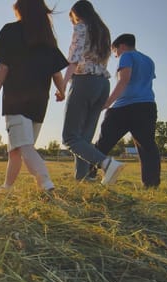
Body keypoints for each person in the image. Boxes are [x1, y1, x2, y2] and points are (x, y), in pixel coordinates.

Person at [0, 0, 68, 193]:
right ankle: (7, 187)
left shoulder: (10, 30)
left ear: (20, 9)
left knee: (24, 146)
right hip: (39, 102)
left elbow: (3, 67)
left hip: (16, 99)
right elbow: (57, 73)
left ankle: (46, 183)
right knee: (16, 148)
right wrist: (62, 91)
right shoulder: (47, 39)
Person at [61, 0, 124, 185]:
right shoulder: (104, 31)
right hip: (103, 84)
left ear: (76, 14)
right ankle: (83, 180)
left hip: (85, 81)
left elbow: (74, 58)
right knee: (84, 139)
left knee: (70, 137)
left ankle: (106, 163)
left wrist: (63, 85)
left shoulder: (82, 26)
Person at [96, 33, 161, 188]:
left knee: (103, 144)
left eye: (115, 51)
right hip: (147, 106)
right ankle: (151, 184)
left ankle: (88, 174)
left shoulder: (126, 56)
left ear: (122, 46)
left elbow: (124, 80)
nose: (116, 55)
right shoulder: (148, 60)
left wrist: (107, 102)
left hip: (124, 107)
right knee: (147, 146)